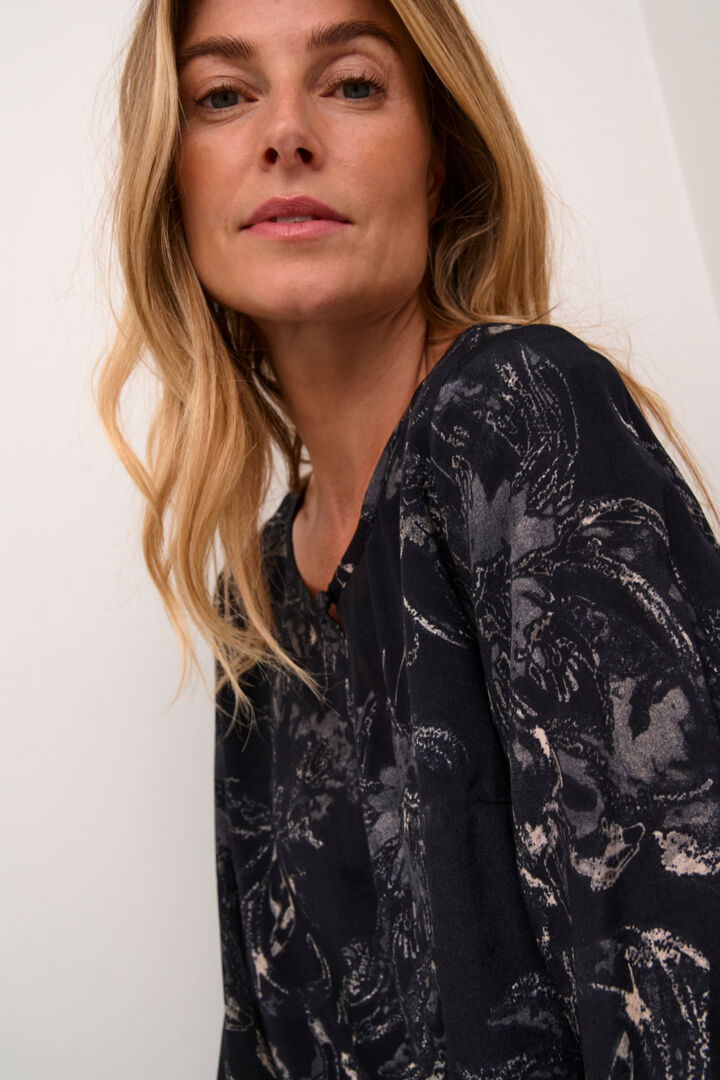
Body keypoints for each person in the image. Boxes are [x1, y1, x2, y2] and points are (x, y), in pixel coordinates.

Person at [97, 0, 720, 1075]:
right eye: (223, 96)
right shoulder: (256, 597)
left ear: (438, 166)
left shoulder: (521, 416)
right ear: (174, 183)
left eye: (351, 83)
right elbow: (263, 1033)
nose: (285, 134)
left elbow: (681, 997)